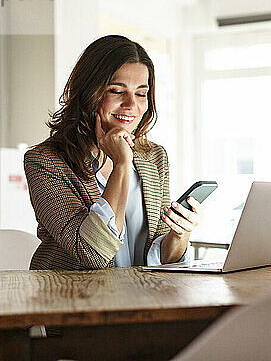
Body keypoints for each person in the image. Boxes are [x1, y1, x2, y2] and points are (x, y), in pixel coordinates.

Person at [24, 35, 201, 270]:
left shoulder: (154, 158)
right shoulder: (46, 162)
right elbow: (92, 253)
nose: (131, 105)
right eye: (117, 91)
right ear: (89, 92)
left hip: (140, 297)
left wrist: (179, 235)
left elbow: (159, 256)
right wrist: (121, 164)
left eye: (140, 93)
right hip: (72, 299)